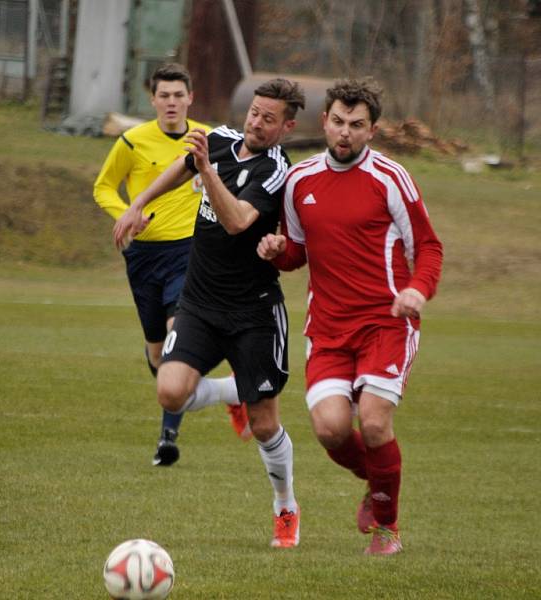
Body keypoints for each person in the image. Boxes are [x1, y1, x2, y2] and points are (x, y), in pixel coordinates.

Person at [114, 78, 306, 548]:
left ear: (287, 126)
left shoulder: (277, 169)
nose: (256, 123)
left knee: (264, 425)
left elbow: (238, 219)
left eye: (268, 118)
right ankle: (231, 393)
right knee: (169, 391)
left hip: (253, 312)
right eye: (254, 112)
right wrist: (138, 203)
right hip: (200, 302)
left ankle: (285, 504)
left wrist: (208, 171)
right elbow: (183, 169)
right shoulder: (219, 140)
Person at [257, 78, 444, 555]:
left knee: (376, 422)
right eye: (338, 122)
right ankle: (377, 478)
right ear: (324, 121)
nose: (345, 133)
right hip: (328, 329)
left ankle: (387, 528)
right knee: (330, 429)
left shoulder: (391, 178)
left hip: (385, 323)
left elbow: (428, 246)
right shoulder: (300, 181)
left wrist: (417, 291)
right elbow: (298, 252)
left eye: (356, 126)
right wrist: (278, 251)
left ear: (372, 131)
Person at [94, 63, 247, 467]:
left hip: (192, 254)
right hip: (144, 257)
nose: (172, 102)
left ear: (190, 98)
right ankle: (230, 392)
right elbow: (103, 186)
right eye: (164, 95)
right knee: (158, 356)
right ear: (153, 99)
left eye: (179, 95)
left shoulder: (206, 139)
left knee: (178, 338)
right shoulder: (131, 142)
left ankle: (167, 439)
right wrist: (126, 212)